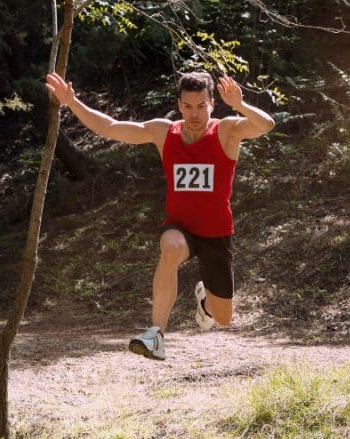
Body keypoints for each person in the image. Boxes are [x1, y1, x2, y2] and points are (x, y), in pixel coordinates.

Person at [46, 70, 274, 361]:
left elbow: (266, 125)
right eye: (188, 106)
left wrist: (240, 105)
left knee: (224, 317)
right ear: (179, 105)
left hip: (216, 232)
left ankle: (205, 302)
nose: (194, 113)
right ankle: (156, 335)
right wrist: (72, 102)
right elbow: (112, 127)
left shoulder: (226, 130)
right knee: (171, 248)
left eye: (201, 106)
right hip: (179, 227)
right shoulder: (165, 132)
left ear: (212, 104)